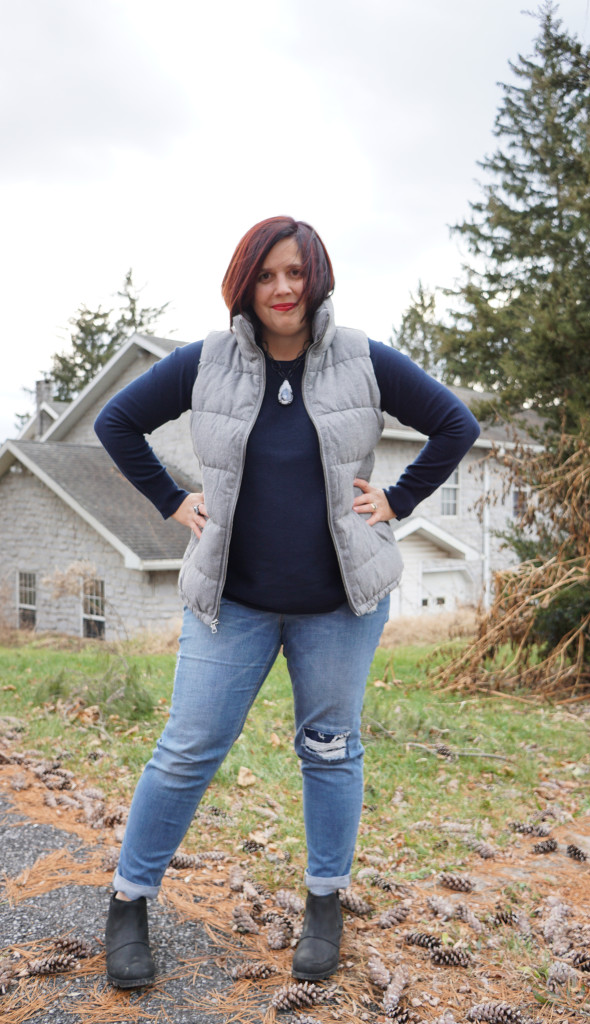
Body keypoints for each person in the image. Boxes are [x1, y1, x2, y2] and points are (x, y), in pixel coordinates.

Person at [94, 216, 480, 989]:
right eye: (267, 275)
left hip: (338, 605)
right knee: (187, 749)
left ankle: (325, 903)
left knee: (329, 750)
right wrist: (174, 503)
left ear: (316, 278)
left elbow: (454, 424)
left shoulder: (362, 359)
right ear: (246, 282)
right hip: (229, 602)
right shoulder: (205, 362)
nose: (282, 289)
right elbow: (116, 422)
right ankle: (128, 901)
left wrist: (396, 499)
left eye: (295, 274)